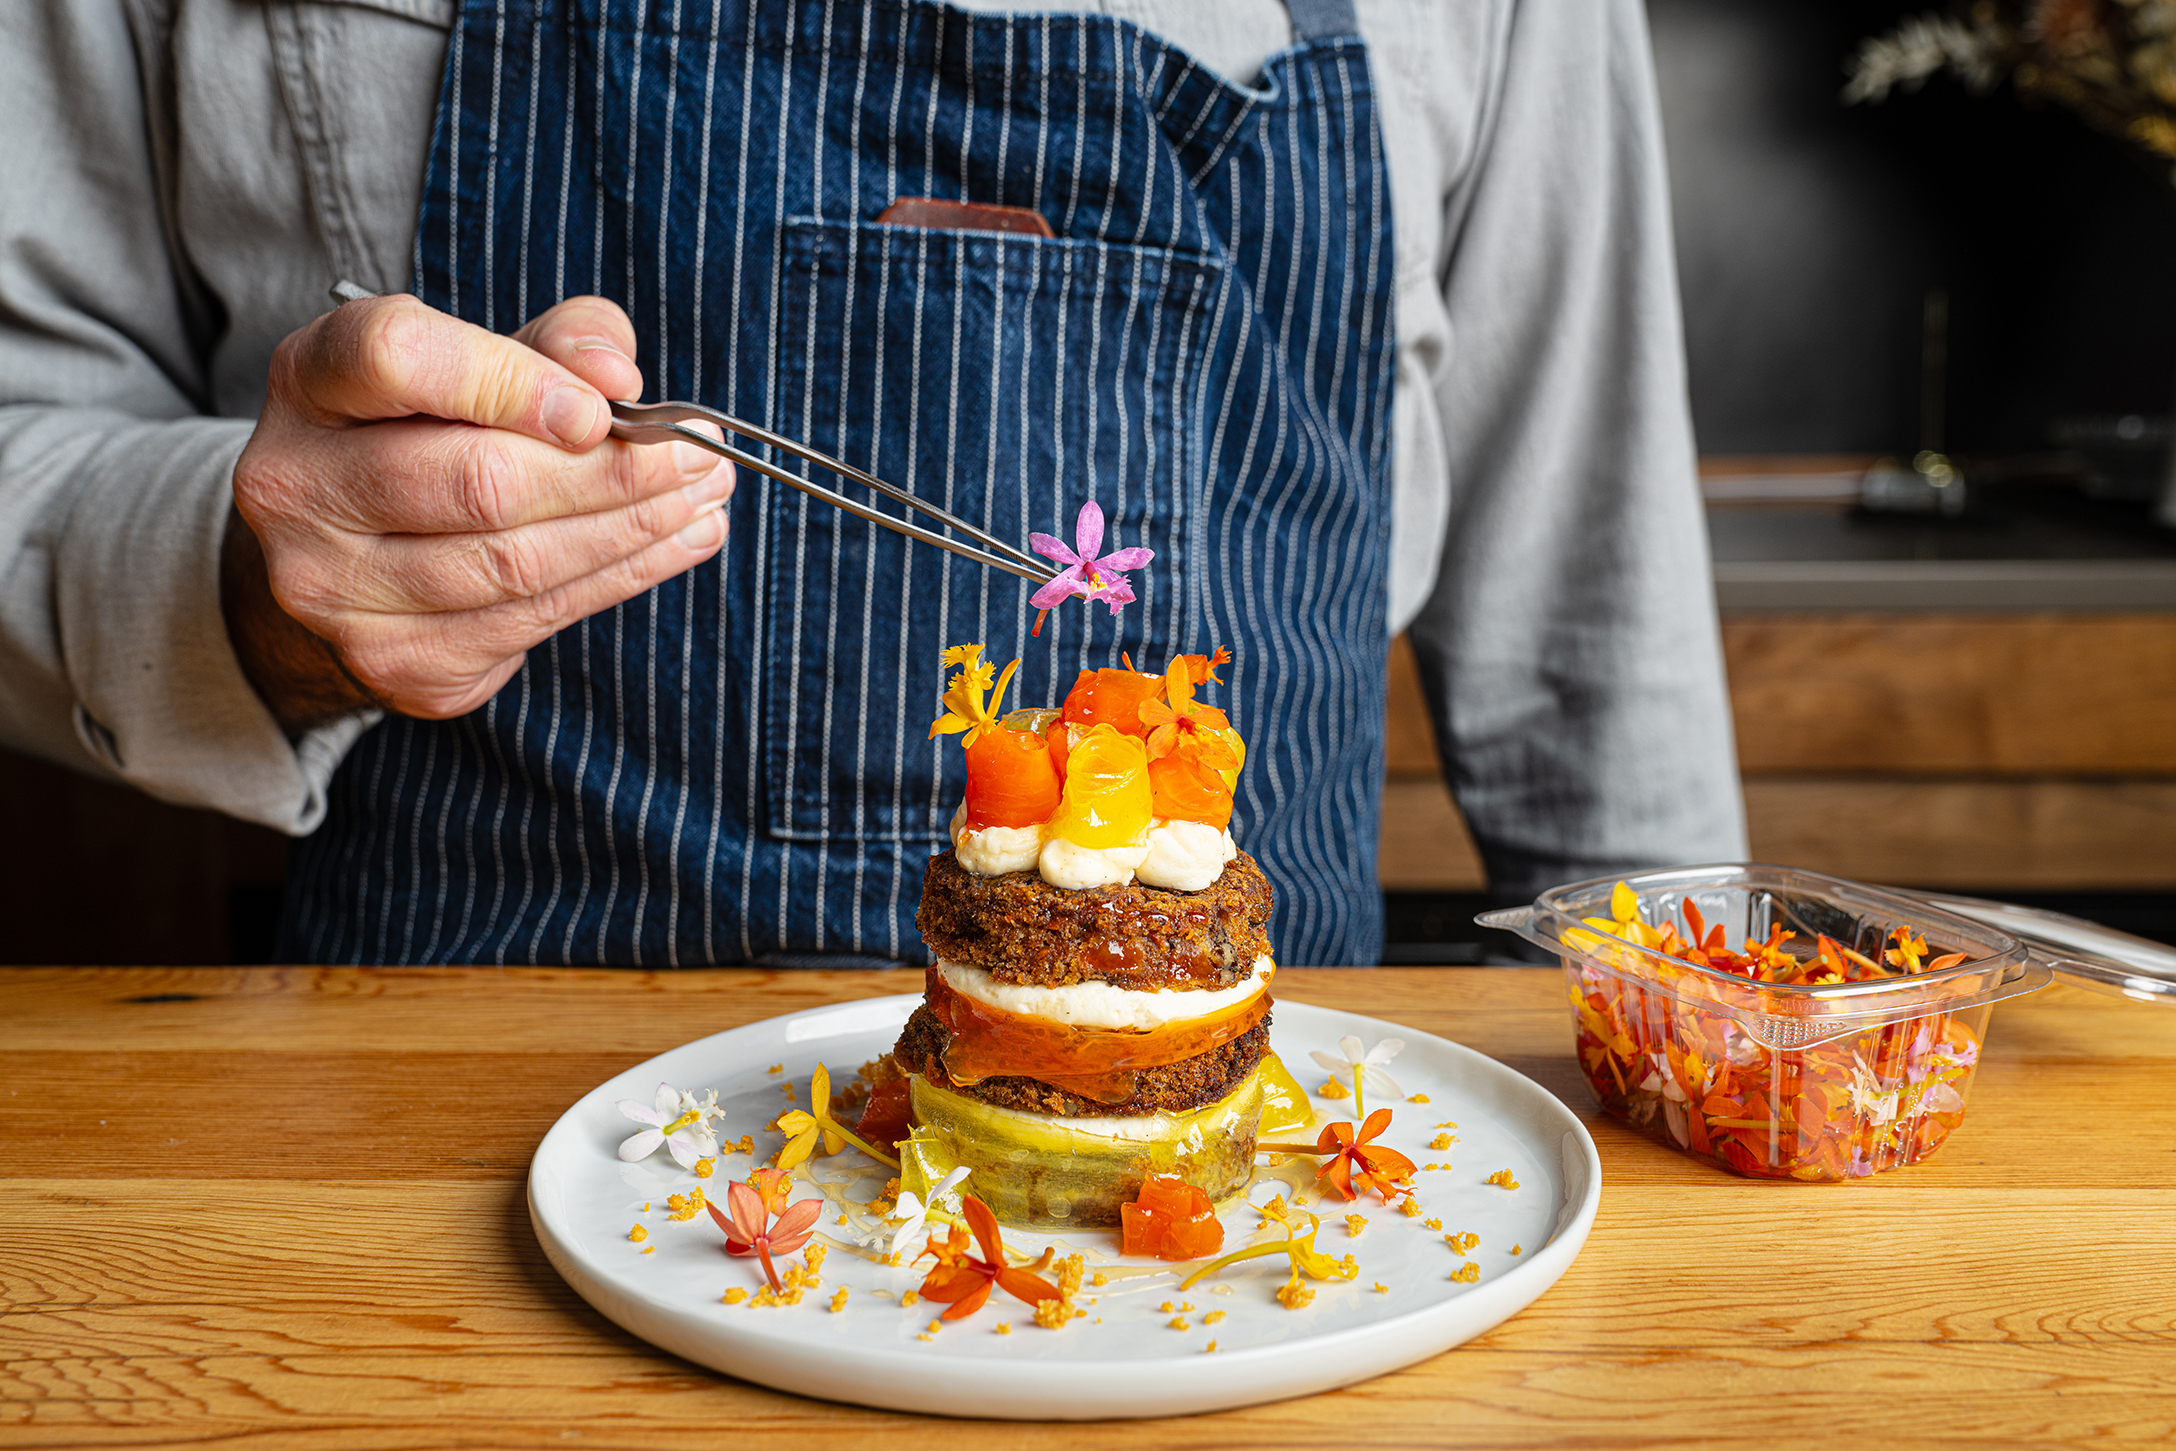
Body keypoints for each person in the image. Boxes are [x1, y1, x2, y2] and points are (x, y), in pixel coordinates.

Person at [0, 0, 1744, 967]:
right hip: (443, 1194)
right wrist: (259, 591)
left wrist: (1706, 1069)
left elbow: (1597, 600)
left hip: (1250, 1237)